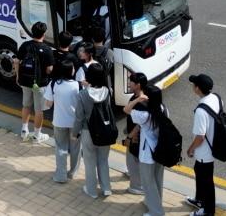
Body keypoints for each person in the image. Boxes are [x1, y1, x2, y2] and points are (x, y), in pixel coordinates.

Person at [125, 84, 169, 216]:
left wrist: (138, 100)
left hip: (148, 154)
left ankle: (156, 212)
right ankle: (153, 203)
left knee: (148, 183)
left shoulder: (144, 115)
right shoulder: (163, 109)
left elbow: (126, 109)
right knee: (157, 180)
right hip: (160, 151)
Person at [72, 64, 113, 198]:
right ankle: (106, 188)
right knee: (103, 160)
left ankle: (91, 190)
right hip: (105, 130)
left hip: (88, 131)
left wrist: (74, 133)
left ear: (88, 76)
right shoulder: (107, 91)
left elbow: (79, 117)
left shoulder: (83, 94)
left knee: (89, 161)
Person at [13, 21, 55, 143]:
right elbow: (50, 69)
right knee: (38, 110)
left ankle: (24, 130)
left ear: (32, 32)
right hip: (40, 84)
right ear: (44, 34)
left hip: (25, 81)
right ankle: (37, 135)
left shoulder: (25, 45)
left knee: (26, 105)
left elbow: (16, 61)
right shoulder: (47, 49)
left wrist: (17, 76)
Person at [44, 59, 82, 183]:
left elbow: (48, 104)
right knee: (76, 148)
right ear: (71, 71)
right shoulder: (78, 85)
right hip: (75, 123)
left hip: (59, 121)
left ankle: (61, 175)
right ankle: (73, 172)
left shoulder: (53, 84)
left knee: (61, 148)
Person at [185, 74, 218, 216]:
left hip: (205, 152)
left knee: (207, 183)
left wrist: (190, 149)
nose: (193, 86)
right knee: (198, 170)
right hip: (213, 146)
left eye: (194, 84)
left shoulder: (201, 111)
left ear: (197, 88)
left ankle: (207, 211)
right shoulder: (216, 98)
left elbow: (200, 137)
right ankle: (199, 200)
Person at [122, 72, 148, 195]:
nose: (129, 83)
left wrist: (129, 137)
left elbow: (139, 125)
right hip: (133, 134)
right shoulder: (137, 96)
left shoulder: (141, 101)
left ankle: (137, 186)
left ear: (137, 85)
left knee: (134, 160)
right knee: (131, 159)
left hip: (136, 137)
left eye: (131, 82)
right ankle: (133, 175)